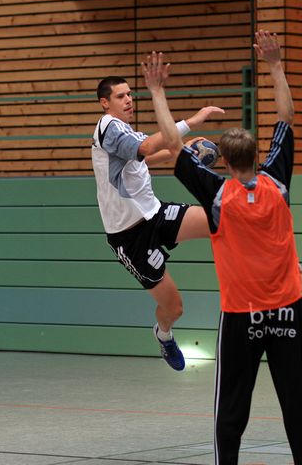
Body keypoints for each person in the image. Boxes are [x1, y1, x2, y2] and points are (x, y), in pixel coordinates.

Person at [141, 30, 302, 464]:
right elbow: (287, 117)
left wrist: (157, 91)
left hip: (243, 316)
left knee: (231, 411)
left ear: (222, 160)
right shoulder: (278, 183)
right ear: (259, 156)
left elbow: (173, 145)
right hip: (287, 311)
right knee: (298, 406)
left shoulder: (219, 195)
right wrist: (276, 65)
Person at [91, 75, 224, 372]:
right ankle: (164, 335)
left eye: (129, 94)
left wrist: (184, 149)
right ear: (104, 103)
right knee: (174, 308)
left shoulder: (126, 131)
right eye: (120, 96)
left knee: (222, 219)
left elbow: (149, 157)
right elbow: (149, 147)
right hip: (130, 237)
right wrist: (193, 121)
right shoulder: (108, 127)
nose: (128, 100)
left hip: (156, 214)